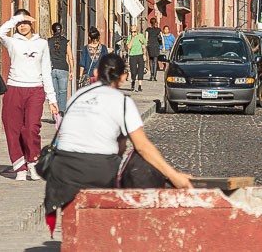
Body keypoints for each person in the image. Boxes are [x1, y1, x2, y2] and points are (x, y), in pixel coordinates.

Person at [43, 53, 192, 233]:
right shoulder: (122, 101)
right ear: (123, 77)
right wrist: (173, 175)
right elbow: (142, 147)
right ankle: (139, 224)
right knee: (141, 163)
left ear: (96, 73)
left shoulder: (77, 96)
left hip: (62, 171)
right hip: (97, 171)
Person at [0, 10, 58, 181]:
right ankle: (19, 167)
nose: (22, 26)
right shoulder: (12, 42)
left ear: (32, 23)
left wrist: (52, 98)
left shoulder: (42, 44)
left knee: (31, 128)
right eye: (19, 24)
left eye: (25, 22)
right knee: (12, 129)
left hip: (35, 89)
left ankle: (33, 161)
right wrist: (17, 18)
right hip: (14, 88)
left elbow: (46, 70)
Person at [47, 23, 72, 113]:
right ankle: (62, 111)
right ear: (61, 30)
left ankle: (55, 113)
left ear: (52, 31)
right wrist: (72, 70)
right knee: (63, 92)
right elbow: (70, 57)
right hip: (63, 68)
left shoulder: (48, 41)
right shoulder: (66, 42)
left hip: (52, 69)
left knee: (54, 92)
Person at [126, 26, 148, 92]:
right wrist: (132, 39)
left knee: (141, 70)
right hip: (132, 55)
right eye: (132, 32)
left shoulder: (141, 36)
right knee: (133, 71)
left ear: (137, 31)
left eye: (134, 31)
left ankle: (140, 86)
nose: (133, 33)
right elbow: (129, 47)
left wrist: (144, 54)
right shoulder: (130, 37)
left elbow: (144, 45)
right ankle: (133, 82)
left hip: (140, 54)